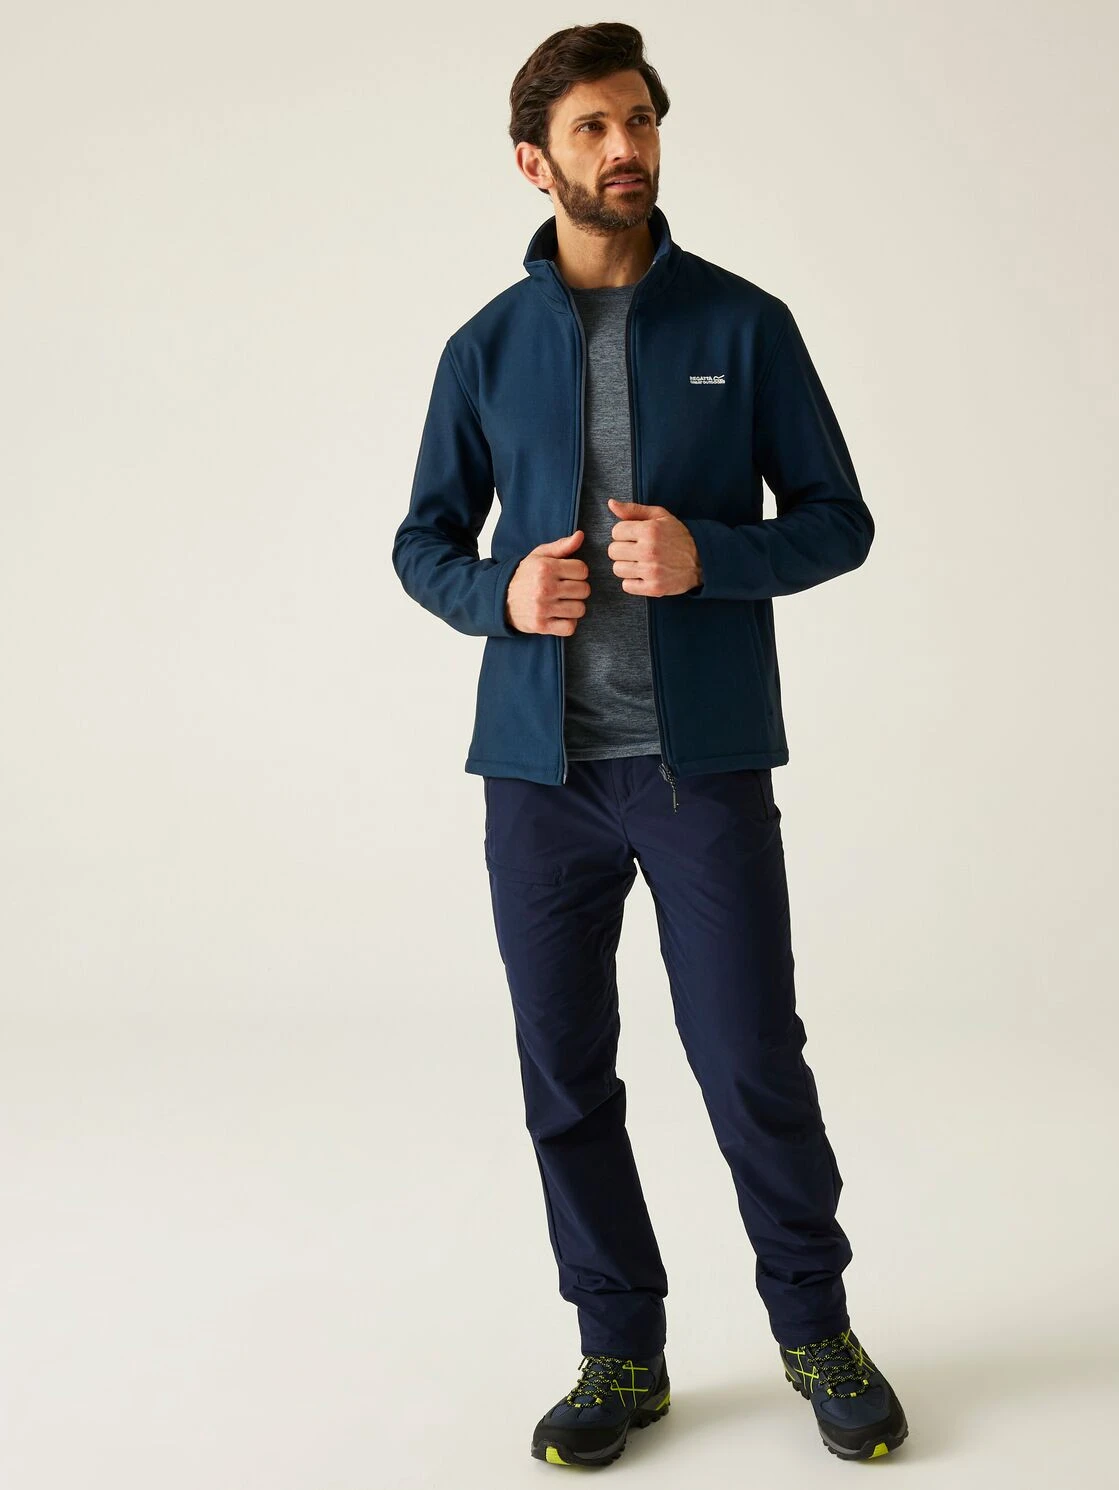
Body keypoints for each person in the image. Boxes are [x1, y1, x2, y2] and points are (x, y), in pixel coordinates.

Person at [391, 21, 908, 1468]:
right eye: (593, 129)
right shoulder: (483, 350)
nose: (626, 149)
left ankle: (815, 1328)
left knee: (750, 1059)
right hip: (536, 777)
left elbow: (839, 520)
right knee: (566, 1076)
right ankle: (619, 1349)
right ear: (533, 163)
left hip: (702, 768)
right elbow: (423, 542)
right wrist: (497, 593)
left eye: (640, 121)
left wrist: (712, 557)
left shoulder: (744, 325)